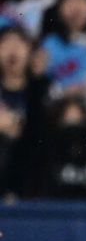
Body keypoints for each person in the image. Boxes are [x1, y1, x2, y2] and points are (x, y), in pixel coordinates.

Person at [0, 23, 48, 198]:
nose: (13, 49)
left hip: (29, 175)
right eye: (5, 43)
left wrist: (18, 127)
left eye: (20, 43)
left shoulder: (42, 88)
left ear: (31, 52)